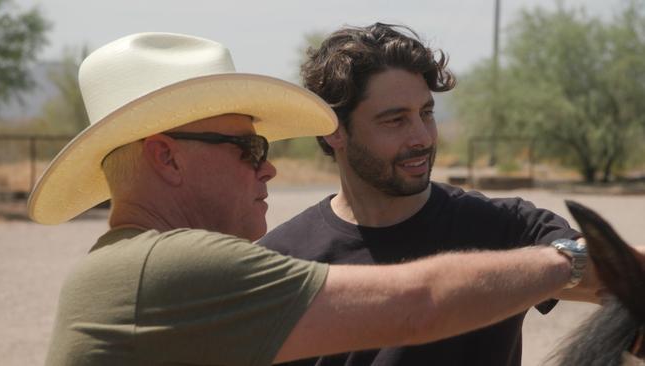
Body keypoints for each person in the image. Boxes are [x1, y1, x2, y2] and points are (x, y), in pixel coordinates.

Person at [30, 32, 601, 366]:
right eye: (248, 147)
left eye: (427, 114)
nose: (269, 165)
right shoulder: (168, 269)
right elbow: (421, 303)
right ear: (166, 158)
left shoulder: (128, 270)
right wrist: (566, 261)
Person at [259, 23, 607, 366]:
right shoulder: (280, 262)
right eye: (395, 120)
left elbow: (608, 276)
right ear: (334, 130)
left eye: (426, 113)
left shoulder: (504, 227)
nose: (422, 137)